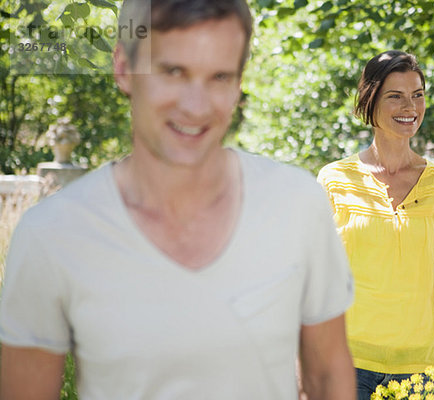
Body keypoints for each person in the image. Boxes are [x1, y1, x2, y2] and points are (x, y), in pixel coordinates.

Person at [0, 1, 356, 399]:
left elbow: (328, 376)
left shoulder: (298, 204)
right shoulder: (52, 234)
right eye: (173, 71)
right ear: (123, 68)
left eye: (219, 76)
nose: (196, 106)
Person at [317, 51, 434, 400]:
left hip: (419, 371)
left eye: (418, 94)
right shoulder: (334, 180)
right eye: (395, 96)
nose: (410, 107)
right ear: (370, 100)